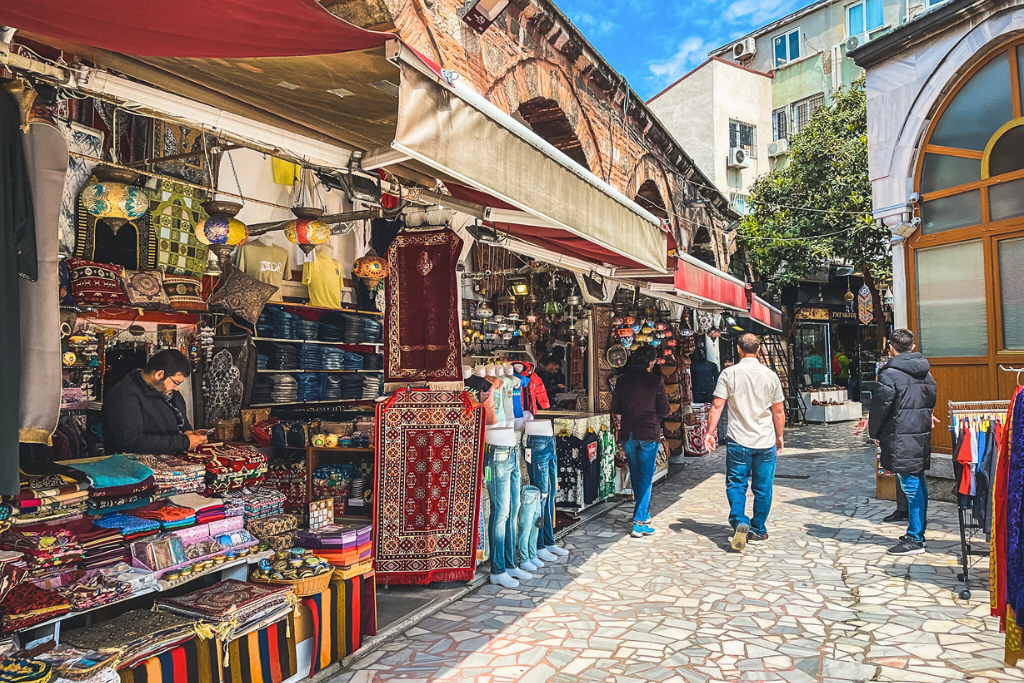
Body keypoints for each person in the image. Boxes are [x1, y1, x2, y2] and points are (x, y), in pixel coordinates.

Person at [856, 328, 938, 555]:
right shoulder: (926, 372)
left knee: (911, 485)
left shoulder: (889, 374)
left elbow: (880, 408)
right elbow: (930, 399)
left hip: (900, 434)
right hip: (918, 432)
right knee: (918, 480)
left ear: (891, 348)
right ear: (912, 346)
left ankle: (915, 537)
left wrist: (874, 432)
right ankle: (918, 530)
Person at [705, 334, 786, 551]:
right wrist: (779, 436)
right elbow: (778, 411)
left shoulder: (729, 374)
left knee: (736, 483)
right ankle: (758, 528)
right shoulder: (770, 376)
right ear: (758, 351)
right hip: (765, 440)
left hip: (738, 439)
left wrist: (710, 432)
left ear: (739, 350)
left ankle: (740, 519)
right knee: (763, 487)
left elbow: (717, 405)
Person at [611, 346, 670, 538]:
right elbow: (664, 411)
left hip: (628, 433)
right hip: (647, 433)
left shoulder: (622, 380)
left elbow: (616, 407)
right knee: (645, 477)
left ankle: (644, 513)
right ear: (651, 362)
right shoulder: (655, 381)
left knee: (637, 475)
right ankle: (638, 522)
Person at [102, 349, 208, 455]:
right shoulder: (124, 394)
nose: (177, 388)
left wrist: (189, 434)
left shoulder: (169, 391)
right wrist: (184, 442)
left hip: (170, 462)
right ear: (159, 374)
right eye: (176, 383)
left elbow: (181, 422)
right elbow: (133, 442)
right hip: (135, 468)